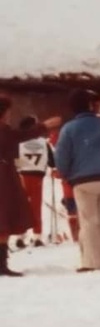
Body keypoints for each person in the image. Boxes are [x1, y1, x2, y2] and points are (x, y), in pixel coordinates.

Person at [54, 89, 100, 272]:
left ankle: (90, 261)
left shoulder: (69, 129)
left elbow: (61, 157)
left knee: (88, 221)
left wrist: (65, 173)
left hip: (82, 179)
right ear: (89, 105)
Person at [0, 99, 60, 276]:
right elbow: (19, 136)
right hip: (3, 179)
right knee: (4, 219)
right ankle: (1, 264)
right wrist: (44, 126)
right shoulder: (3, 130)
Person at [14, 115, 53, 249]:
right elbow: (53, 162)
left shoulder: (18, 142)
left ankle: (20, 235)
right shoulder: (43, 142)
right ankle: (37, 236)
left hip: (22, 175)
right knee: (36, 206)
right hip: (37, 177)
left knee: (22, 207)